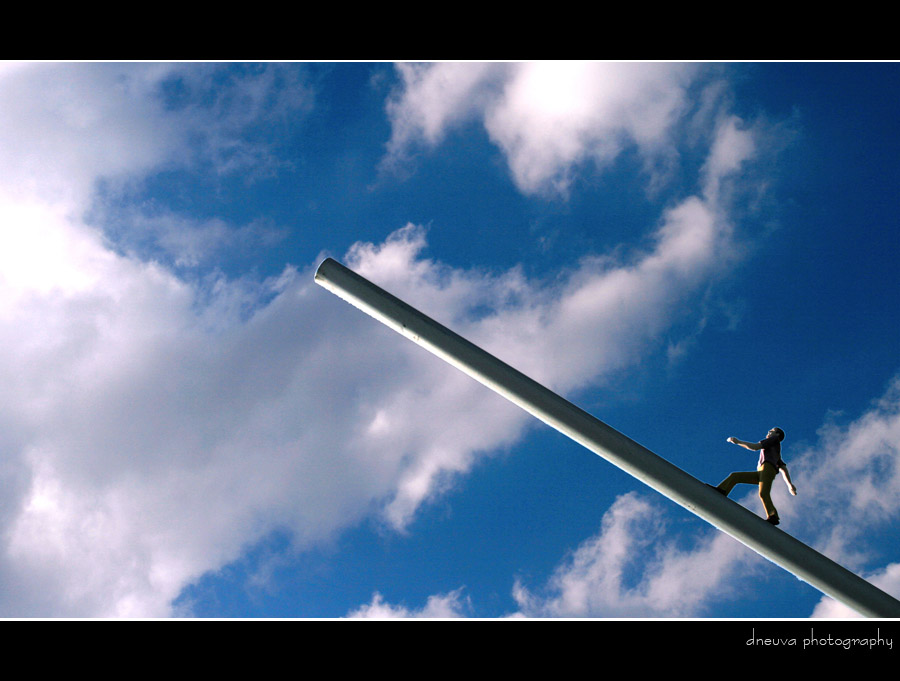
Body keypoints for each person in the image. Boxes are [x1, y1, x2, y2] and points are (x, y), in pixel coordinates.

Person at [712, 427, 796, 525]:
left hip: (767, 469)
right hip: (762, 471)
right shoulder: (775, 450)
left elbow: (754, 447)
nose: (768, 433)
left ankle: (773, 516)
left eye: (771, 431)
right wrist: (790, 485)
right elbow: (783, 468)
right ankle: (722, 490)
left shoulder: (773, 440)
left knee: (763, 493)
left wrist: (738, 441)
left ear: (777, 434)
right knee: (735, 476)